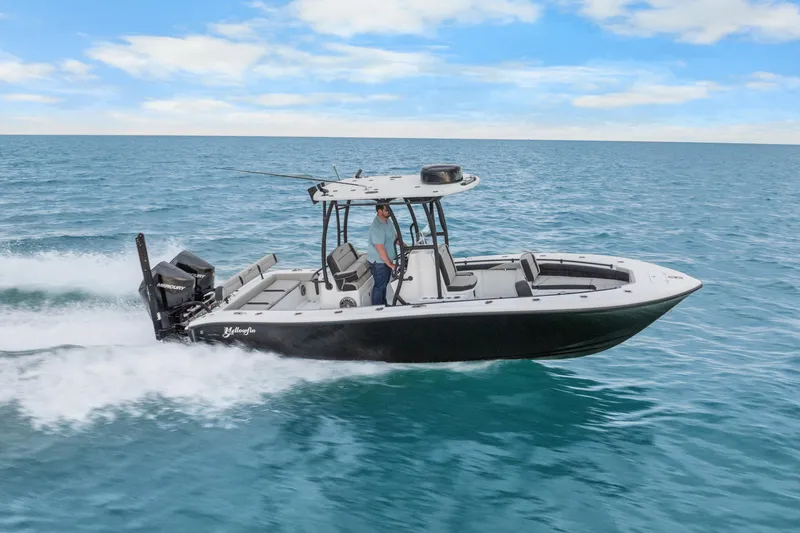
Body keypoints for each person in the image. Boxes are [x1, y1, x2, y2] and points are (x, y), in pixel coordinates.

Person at [368, 203, 398, 306]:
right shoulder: (377, 227)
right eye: (386, 210)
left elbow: (394, 236)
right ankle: (377, 308)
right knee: (380, 286)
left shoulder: (387, 221)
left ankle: (383, 305)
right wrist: (390, 264)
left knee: (384, 285)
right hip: (379, 262)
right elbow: (380, 248)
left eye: (389, 209)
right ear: (379, 211)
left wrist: (404, 246)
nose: (388, 211)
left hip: (386, 260)